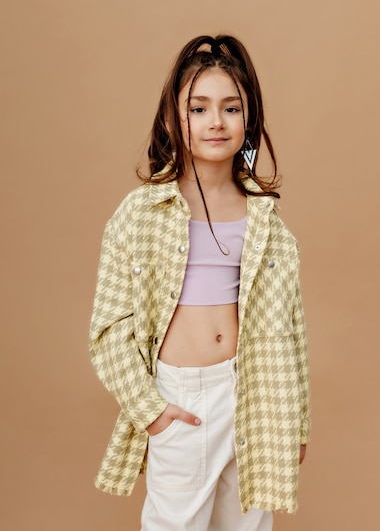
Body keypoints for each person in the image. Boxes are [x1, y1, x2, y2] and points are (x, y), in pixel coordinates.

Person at [89, 35, 310, 531]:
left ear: (248, 121)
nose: (216, 121)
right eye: (199, 108)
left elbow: (292, 330)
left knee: (248, 524)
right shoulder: (140, 215)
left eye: (231, 108)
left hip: (252, 393)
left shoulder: (267, 222)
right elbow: (108, 329)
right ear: (174, 119)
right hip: (180, 399)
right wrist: (151, 410)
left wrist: (295, 420)